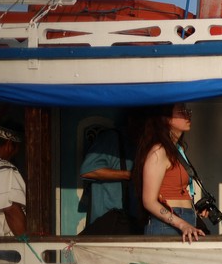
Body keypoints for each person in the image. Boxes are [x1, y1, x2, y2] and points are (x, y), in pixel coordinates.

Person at [134, 103, 206, 242]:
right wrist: (181, 224)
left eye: (188, 110)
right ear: (165, 118)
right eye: (182, 111)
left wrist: (194, 211)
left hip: (185, 218)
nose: (188, 114)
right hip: (167, 224)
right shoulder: (158, 151)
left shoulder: (177, 150)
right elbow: (149, 201)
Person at [79, 118, 140, 234]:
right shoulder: (111, 138)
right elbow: (89, 170)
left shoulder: (138, 144)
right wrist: (129, 175)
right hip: (107, 221)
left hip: (129, 221)